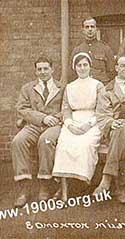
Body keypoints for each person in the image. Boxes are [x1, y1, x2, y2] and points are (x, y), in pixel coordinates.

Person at [11, 56, 64, 207]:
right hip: (33, 125)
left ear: (52, 69)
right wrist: (42, 118)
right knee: (18, 141)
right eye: (39, 69)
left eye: (46, 68)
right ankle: (24, 187)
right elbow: (22, 109)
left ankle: (44, 185)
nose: (43, 72)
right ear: (35, 71)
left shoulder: (62, 87)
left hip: (53, 126)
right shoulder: (27, 88)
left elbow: (67, 109)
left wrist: (54, 118)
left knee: (45, 141)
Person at [52, 52, 104, 202]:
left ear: (90, 67)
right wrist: (69, 125)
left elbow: (102, 109)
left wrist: (89, 124)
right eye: (79, 65)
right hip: (73, 121)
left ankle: (82, 185)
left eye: (85, 65)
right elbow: (66, 109)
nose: (82, 68)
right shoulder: (70, 87)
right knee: (64, 145)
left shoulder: (97, 85)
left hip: (93, 121)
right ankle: (64, 192)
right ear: (74, 68)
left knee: (85, 145)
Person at [94, 56, 125, 204]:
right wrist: (110, 122)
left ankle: (106, 179)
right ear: (116, 68)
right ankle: (120, 187)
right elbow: (102, 114)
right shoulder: (106, 89)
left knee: (124, 131)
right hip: (114, 127)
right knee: (123, 137)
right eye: (122, 66)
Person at [71, 17, 115, 84]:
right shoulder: (77, 50)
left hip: (101, 85)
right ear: (83, 30)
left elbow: (112, 72)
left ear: (96, 29)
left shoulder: (105, 48)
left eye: (92, 27)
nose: (90, 29)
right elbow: (73, 72)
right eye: (87, 27)